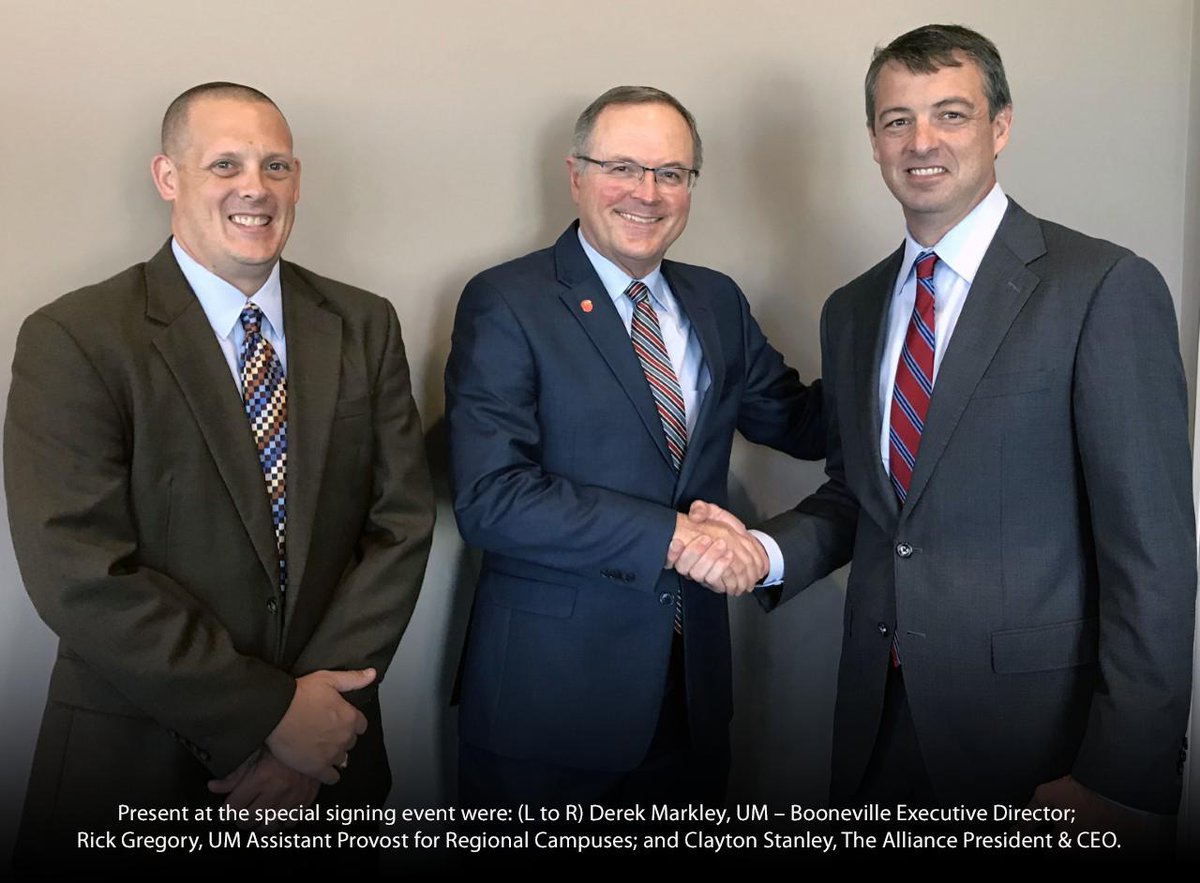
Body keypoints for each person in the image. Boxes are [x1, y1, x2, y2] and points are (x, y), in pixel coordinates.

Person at [681, 24, 1195, 836]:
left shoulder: (1100, 287)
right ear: (874, 142)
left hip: (1042, 744)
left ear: (1000, 127)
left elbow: (1154, 555)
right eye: (897, 120)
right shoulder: (852, 310)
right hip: (877, 729)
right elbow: (866, 498)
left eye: (950, 115)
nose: (921, 142)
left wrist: (1122, 775)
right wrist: (763, 550)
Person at [5, 82, 435, 870]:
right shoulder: (76, 336)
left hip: (326, 771)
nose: (255, 188)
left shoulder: (362, 324)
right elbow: (76, 569)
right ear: (168, 177)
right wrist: (270, 715)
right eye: (225, 164)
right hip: (134, 762)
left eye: (275, 166)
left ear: (297, 179)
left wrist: (316, 721)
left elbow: (400, 524)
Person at [445, 85, 823, 808]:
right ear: (576, 175)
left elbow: (798, 422)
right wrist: (675, 537)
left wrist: (907, 356)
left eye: (670, 173)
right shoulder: (507, 301)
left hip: (692, 695)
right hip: (548, 706)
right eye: (623, 167)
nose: (646, 193)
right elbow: (491, 499)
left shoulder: (716, 300)